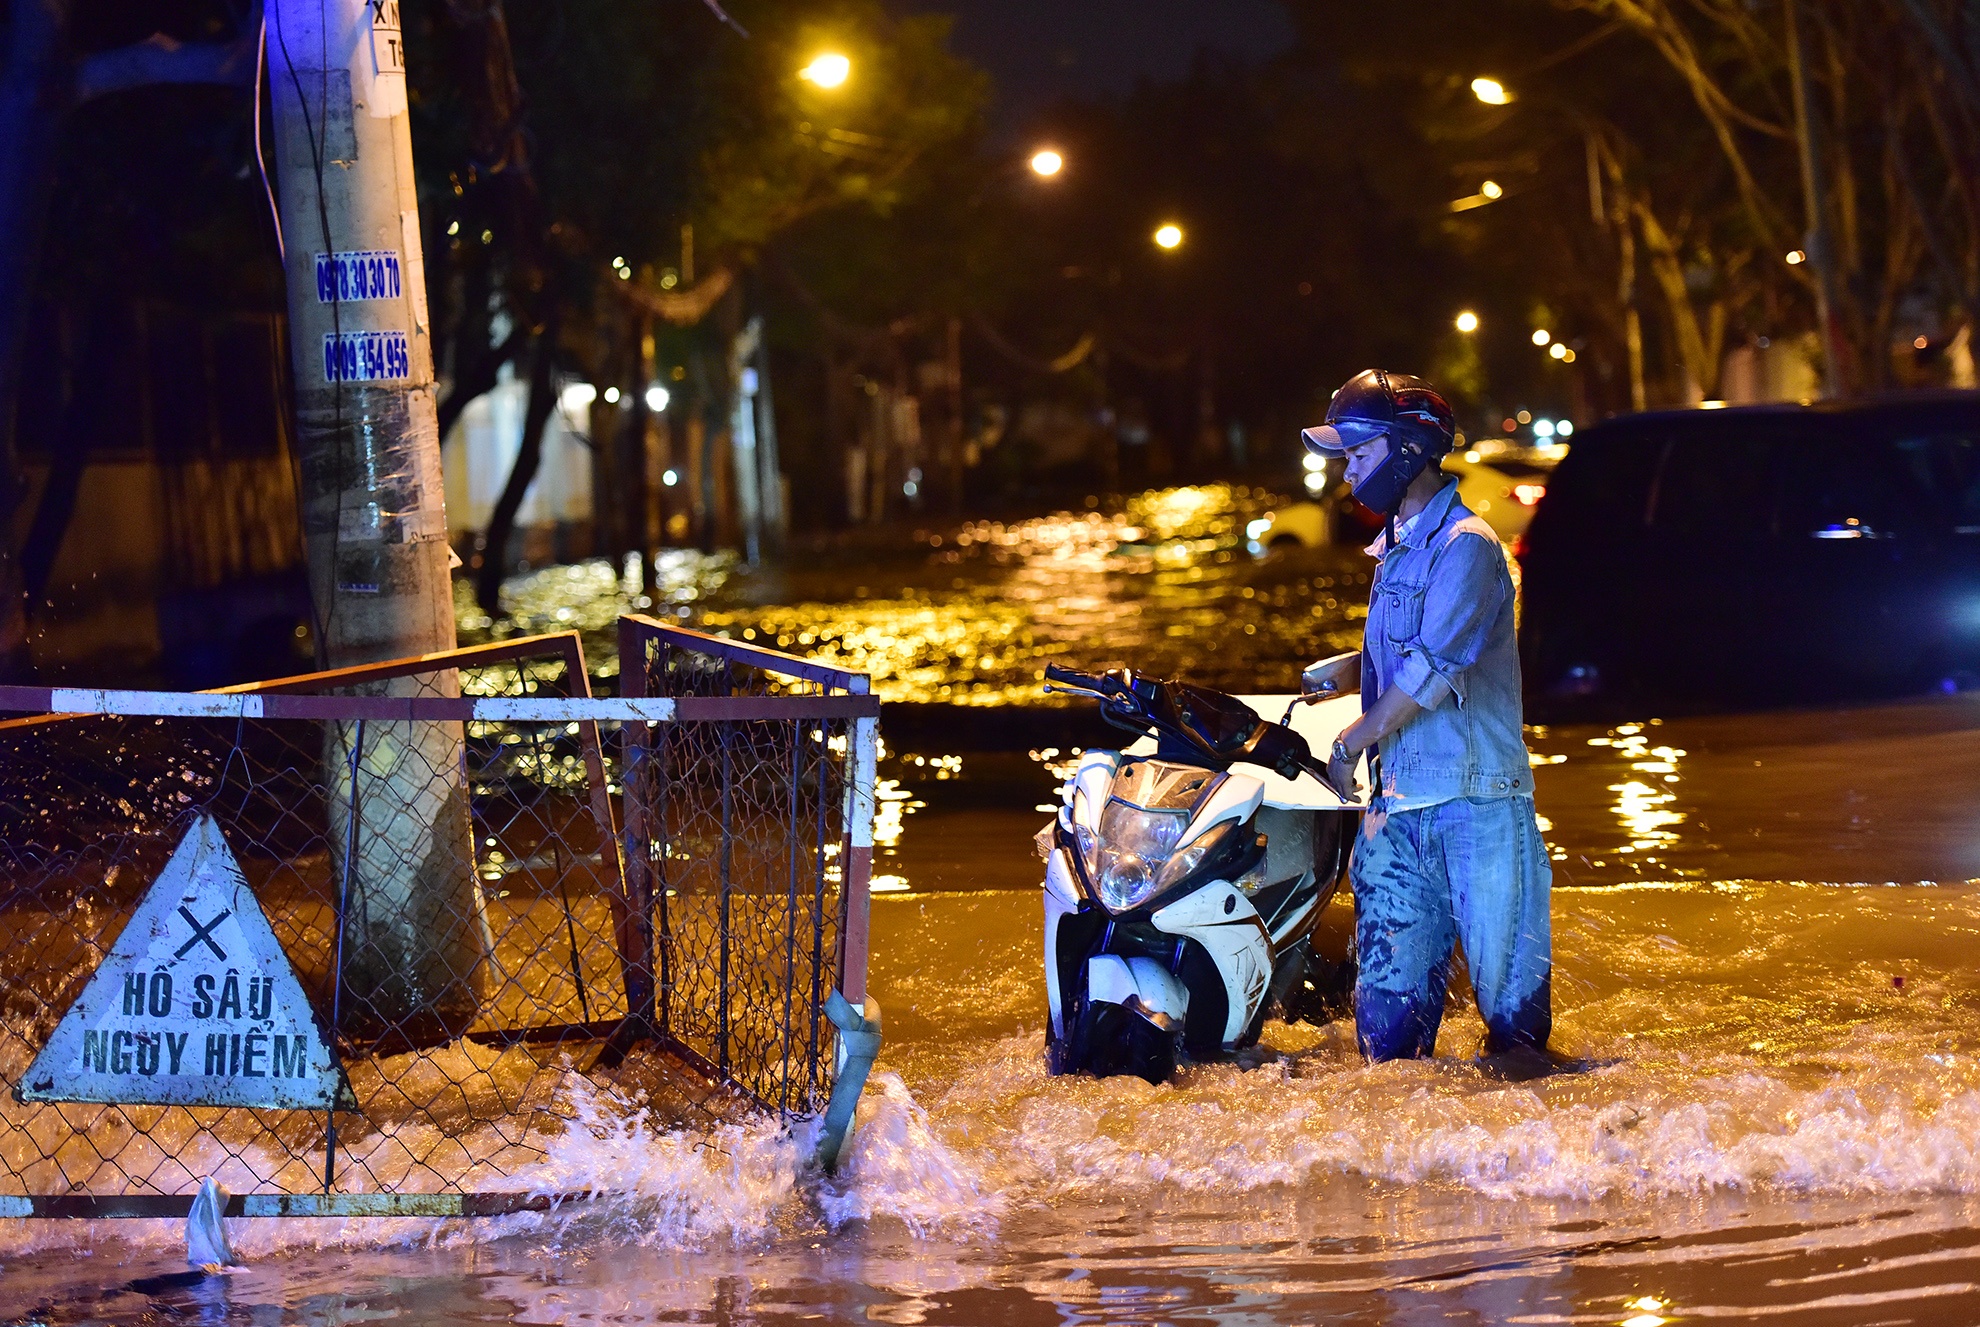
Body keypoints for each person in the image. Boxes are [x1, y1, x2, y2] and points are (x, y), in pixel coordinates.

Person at [1302, 369, 1553, 1066]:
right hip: (1399, 809)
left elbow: (1431, 673)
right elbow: (1413, 650)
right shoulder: (1397, 546)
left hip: (1479, 810)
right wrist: (1351, 669)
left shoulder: (1467, 545)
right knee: (1387, 1057)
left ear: (1408, 450)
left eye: (1359, 454)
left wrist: (1350, 740)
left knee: (1516, 1046)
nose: (1349, 472)